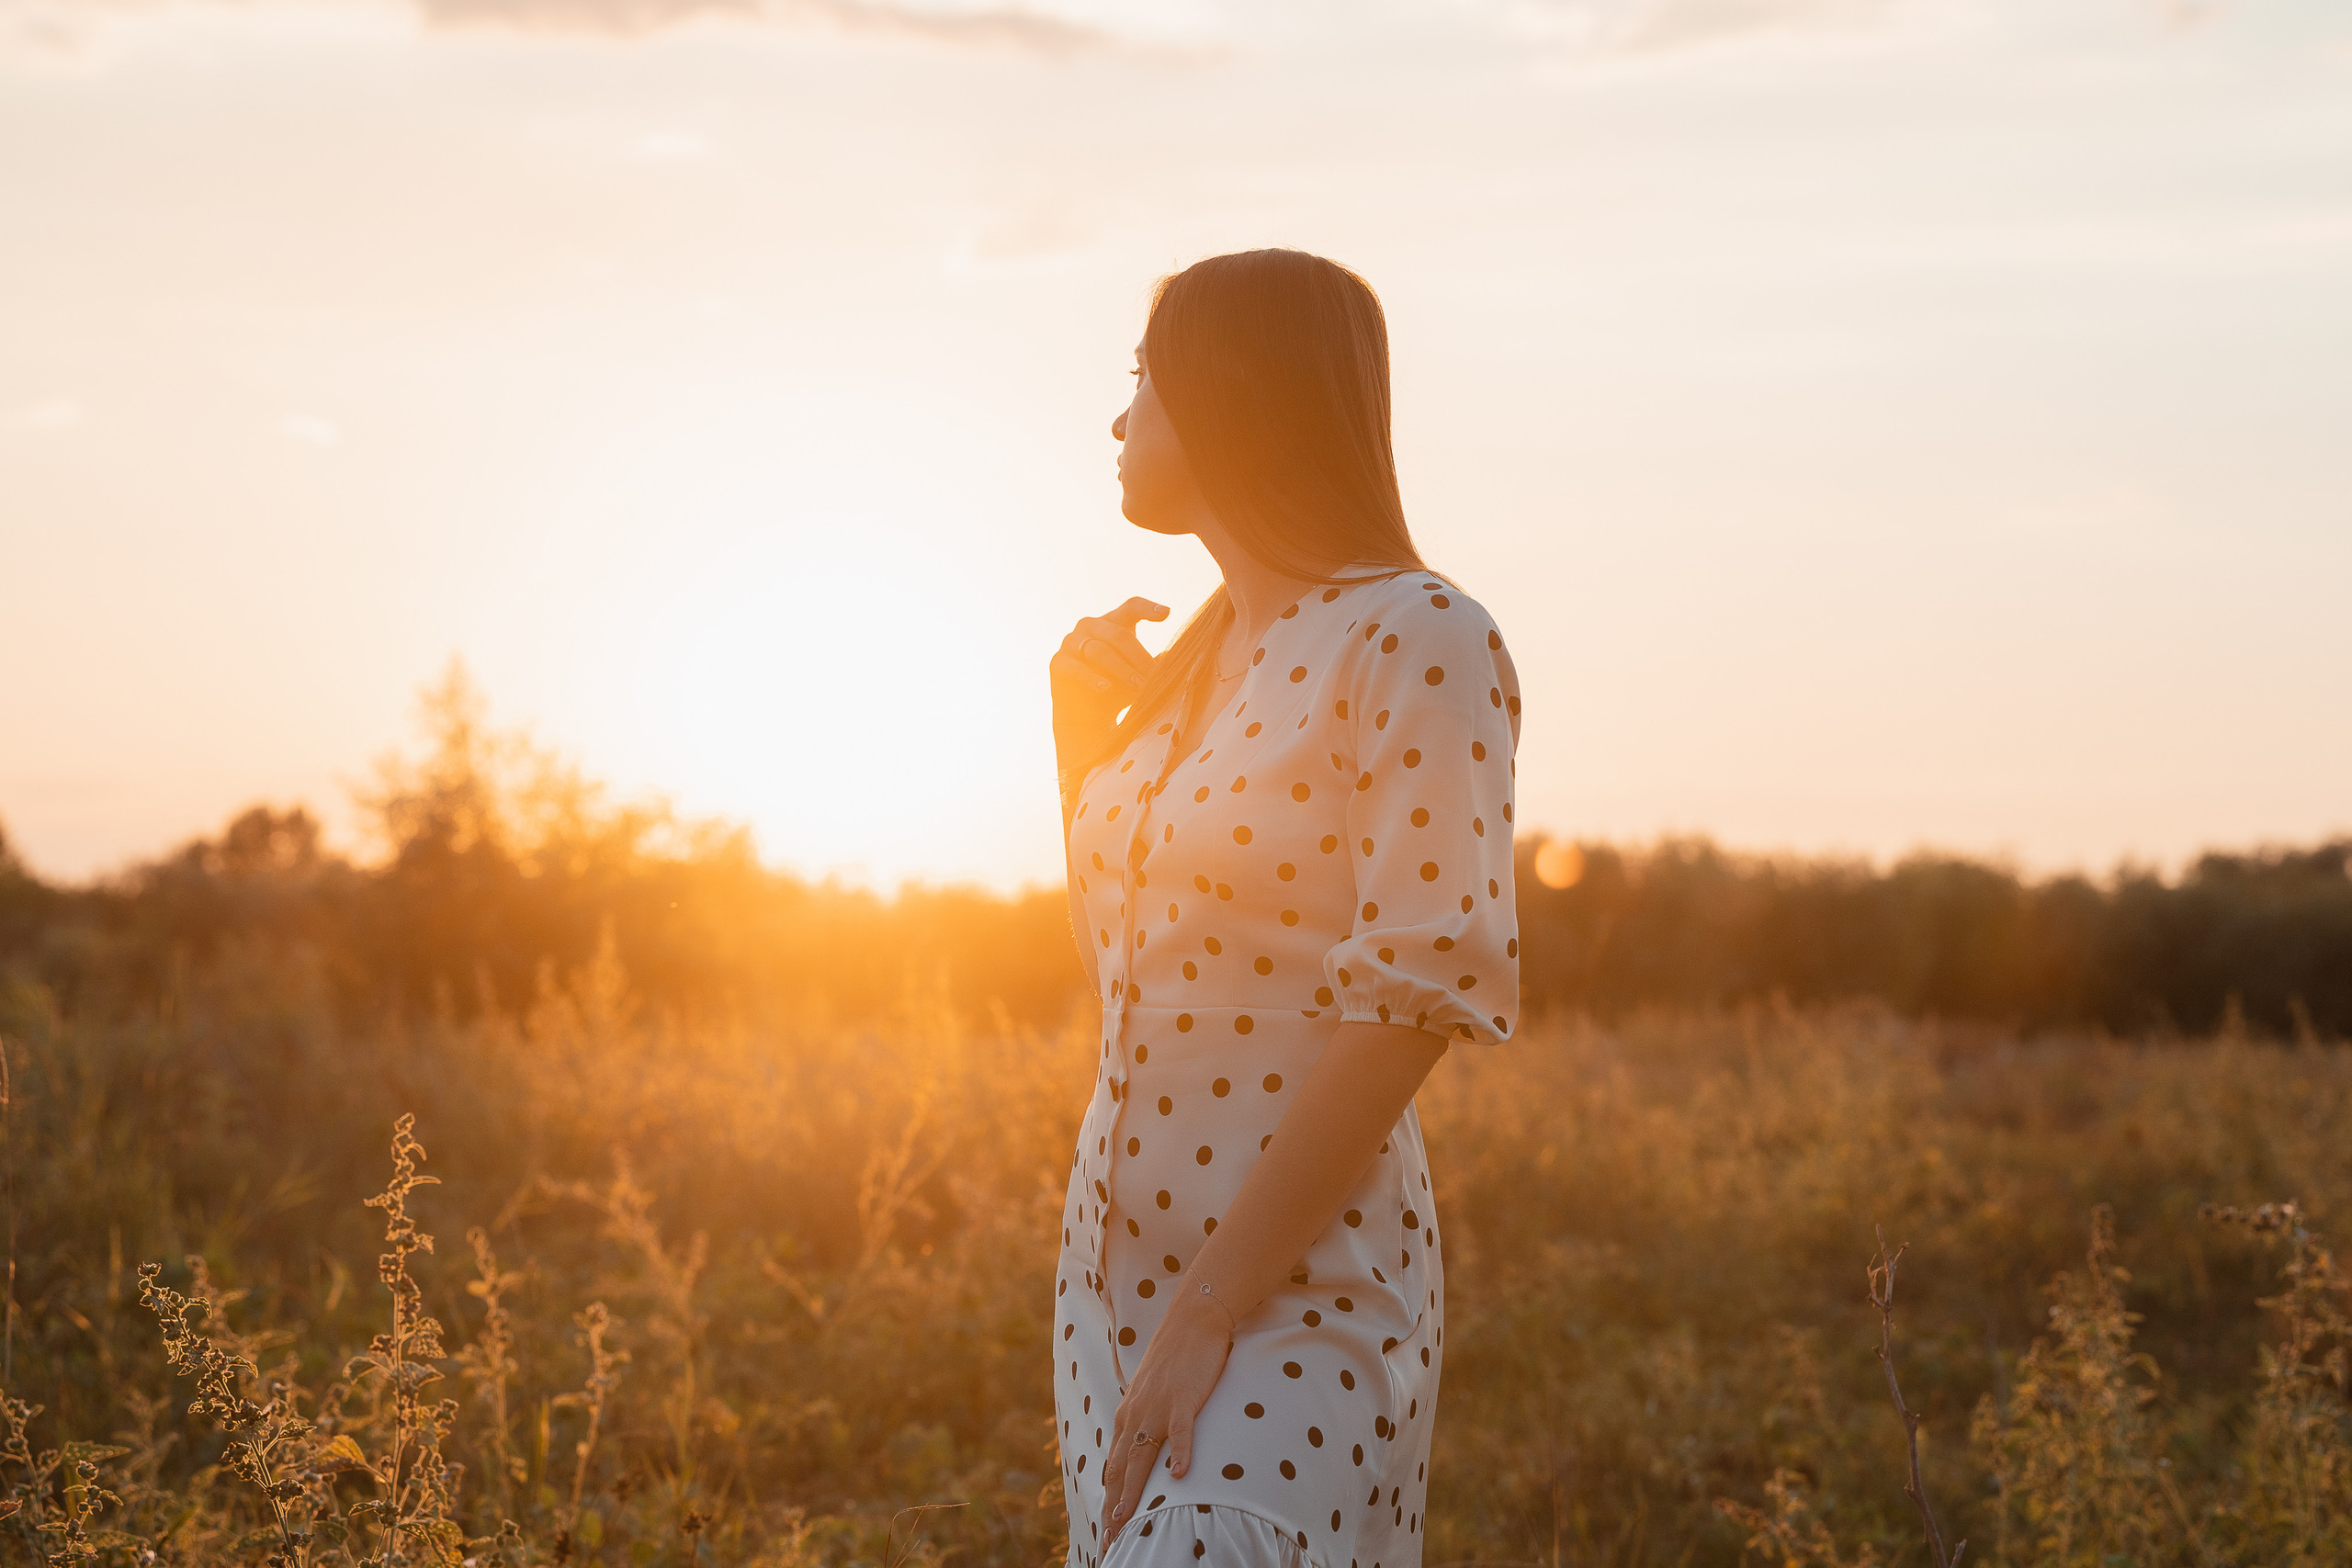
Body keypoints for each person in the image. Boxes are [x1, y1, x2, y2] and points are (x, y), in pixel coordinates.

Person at [1046, 249, 1523, 1568]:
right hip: (1111, 1282)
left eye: (1144, 381)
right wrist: (1078, 748)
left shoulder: (1417, 635)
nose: (1119, 420)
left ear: (1229, 393)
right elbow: (1128, 978)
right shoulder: (1185, 675)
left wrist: (1213, 1306)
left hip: (1296, 1279)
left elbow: (1418, 998)